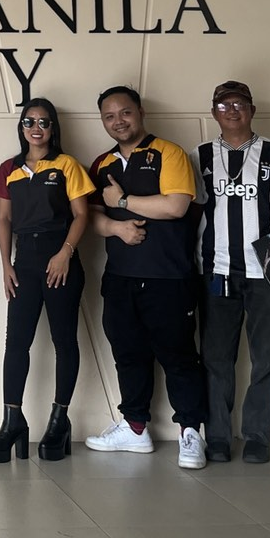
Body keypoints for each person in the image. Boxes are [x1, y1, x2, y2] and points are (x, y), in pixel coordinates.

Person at [84, 86, 209, 470]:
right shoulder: (102, 163)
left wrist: (123, 203)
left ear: (140, 112)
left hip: (168, 277)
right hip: (120, 277)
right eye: (109, 116)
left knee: (179, 357)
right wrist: (116, 229)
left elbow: (175, 205)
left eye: (125, 113)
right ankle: (135, 428)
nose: (118, 121)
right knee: (128, 355)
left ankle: (191, 432)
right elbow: (87, 214)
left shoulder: (169, 153)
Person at [196, 80, 270, 464]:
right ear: (213, 112)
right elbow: (189, 212)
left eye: (239, 103)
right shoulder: (200, 156)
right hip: (216, 270)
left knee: (267, 355)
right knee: (216, 357)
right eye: (223, 104)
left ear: (252, 109)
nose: (232, 110)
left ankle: (257, 435)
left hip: (268, 271)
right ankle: (216, 436)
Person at [0, 98, 94, 463]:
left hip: (60, 257)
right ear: (22, 126)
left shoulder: (67, 166)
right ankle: (12, 420)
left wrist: (65, 253)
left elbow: (82, 215)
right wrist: (5, 263)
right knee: (16, 342)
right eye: (29, 121)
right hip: (24, 261)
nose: (36, 128)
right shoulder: (9, 169)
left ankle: (59, 420)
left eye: (44, 122)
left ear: (53, 128)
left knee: (64, 340)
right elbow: (3, 220)